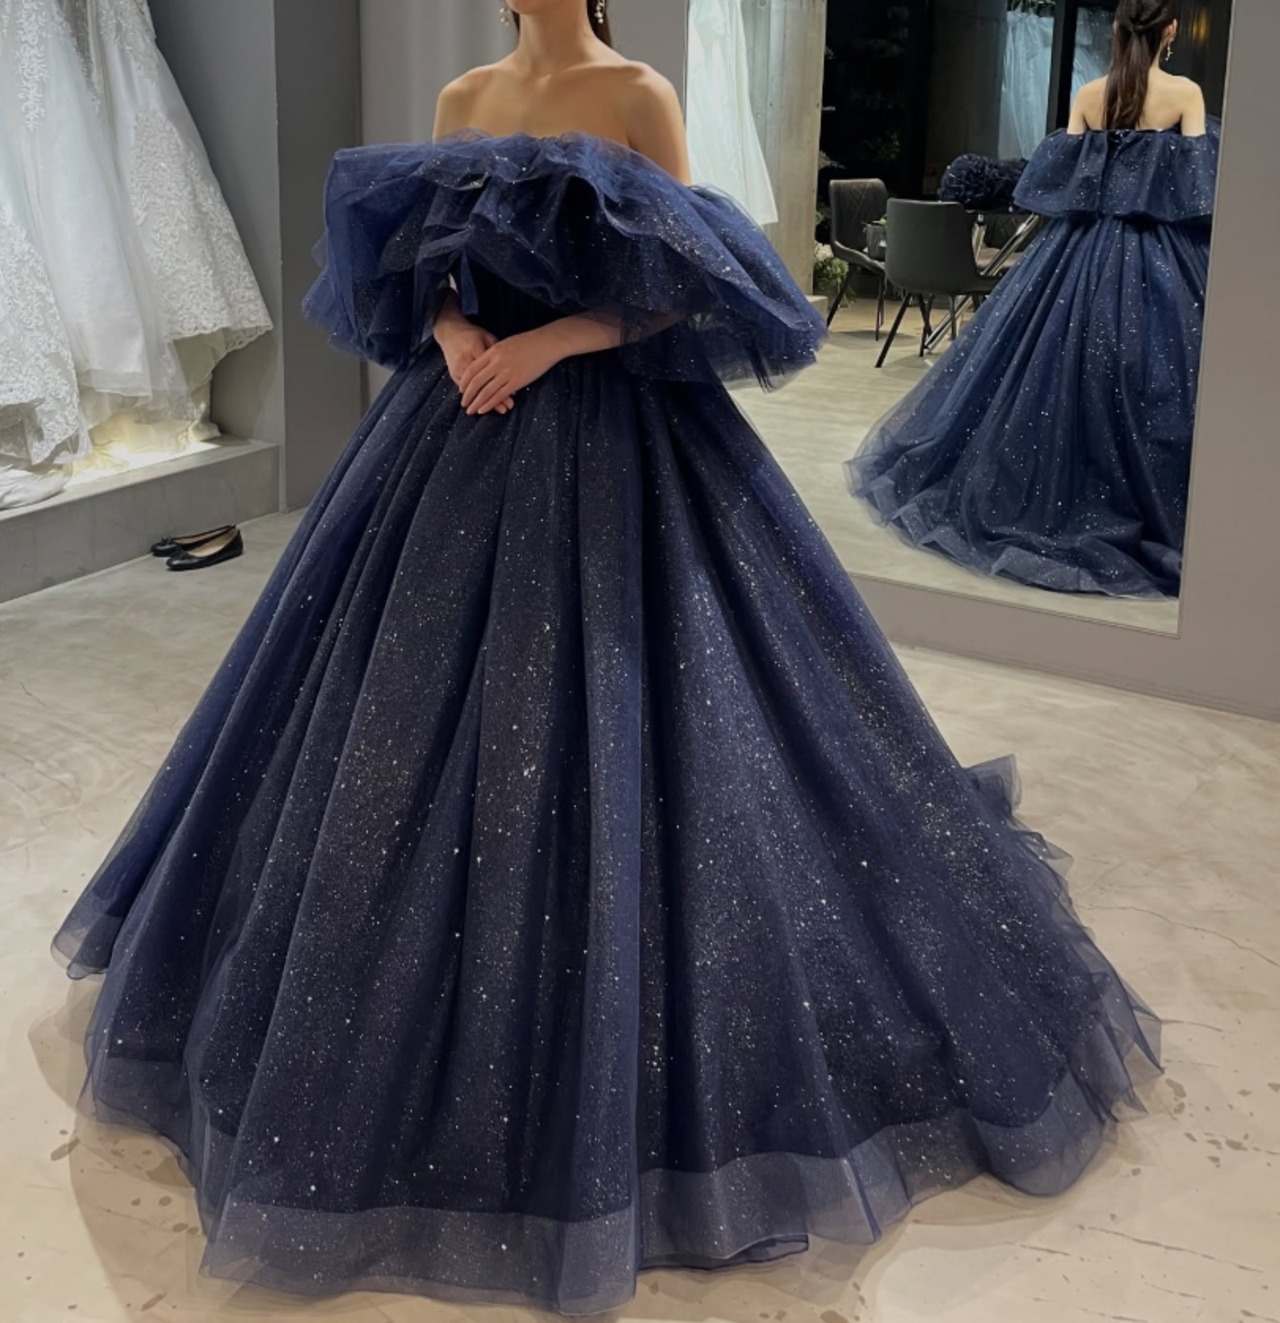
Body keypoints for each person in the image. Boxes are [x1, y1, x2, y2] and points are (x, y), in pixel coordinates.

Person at [54, 0, 1158, 1312]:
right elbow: (429, 266)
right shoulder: (464, 99)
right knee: (384, 738)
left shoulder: (640, 95)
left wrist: (550, 339)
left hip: (613, 440)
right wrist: (456, 334)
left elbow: (683, 282)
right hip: (456, 429)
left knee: (650, 725)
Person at [851, 0, 1218, 598]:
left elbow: (1057, 183)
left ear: (1119, 29)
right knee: (1162, 379)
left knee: (1051, 375)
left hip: (1077, 254)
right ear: (1170, 31)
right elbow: (1196, 193)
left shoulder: (1090, 95)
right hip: (1160, 260)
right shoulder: (1186, 95)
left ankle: (1047, 497)